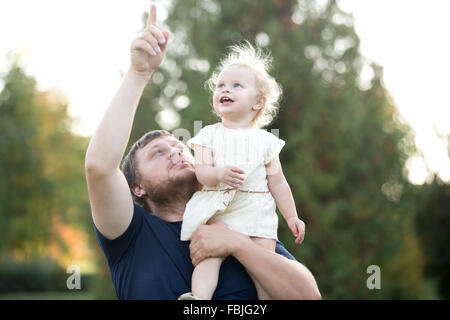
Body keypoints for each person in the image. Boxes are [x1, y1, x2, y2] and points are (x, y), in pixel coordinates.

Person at [85, 4, 321, 300]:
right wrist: (138, 73)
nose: (175, 152)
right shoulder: (131, 234)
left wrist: (237, 244)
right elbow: (99, 167)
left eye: (180, 147)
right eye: (158, 153)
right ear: (138, 187)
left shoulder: (240, 220)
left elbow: (309, 298)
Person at [178, 42, 306, 300]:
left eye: (237, 85)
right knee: (208, 259)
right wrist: (218, 174)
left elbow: (278, 183)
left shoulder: (267, 141)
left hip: (257, 212)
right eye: (221, 85)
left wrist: (291, 216)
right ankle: (199, 299)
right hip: (220, 210)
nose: (225, 89)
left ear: (258, 102)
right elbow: (201, 172)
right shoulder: (209, 134)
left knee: (264, 266)